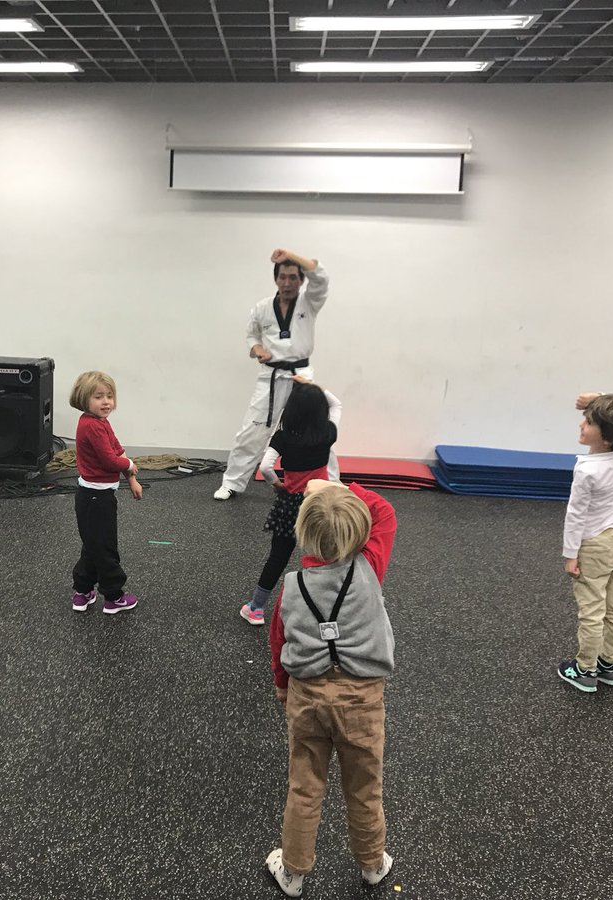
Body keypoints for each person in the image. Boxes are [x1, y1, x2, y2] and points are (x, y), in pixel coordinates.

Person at [265, 479, 398, 897]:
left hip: (307, 697)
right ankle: (372, 864)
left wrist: (283, 687)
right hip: (362, 700)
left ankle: (293, 872)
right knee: (365, 788)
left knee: (304, 786)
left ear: (303, 531)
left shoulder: (291, 585)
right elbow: (385, 511)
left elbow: (278, 642)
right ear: (359, 532)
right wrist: (338, 485)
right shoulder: (369, 565)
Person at [214, 249, 337, 501]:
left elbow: (321, 277)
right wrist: (257, 349)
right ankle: (232, 482)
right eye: (282, 277)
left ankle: (331, 484)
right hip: (270, 376)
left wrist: (290, 254)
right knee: (251, 430)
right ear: (275, 279)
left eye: (293, 277)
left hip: (301, 375)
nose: (287, 283)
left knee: (316, 429)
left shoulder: (309, 302)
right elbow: (251, 335)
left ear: (301, 281)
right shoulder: (262, 308)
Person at [557, 391, 613, 693]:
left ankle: (584, 669)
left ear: (607, 438)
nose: (581, 424)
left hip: (593, 547)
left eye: (589, 422)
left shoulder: (587, 470)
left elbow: (575, 515)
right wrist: (598, 400)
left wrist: (571, 554)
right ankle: (610, 665)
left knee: (592, 610)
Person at [240, 379, 342, 626]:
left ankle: (256, 608)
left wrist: (276, 484)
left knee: (278, 557)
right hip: (320, 502)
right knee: (324, 556)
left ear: (291, 410)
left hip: (291, 505)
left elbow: (266, 467)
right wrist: (313, 386)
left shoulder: (283, 437)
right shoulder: (328, 432)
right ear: (320, 410)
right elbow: (336, 404)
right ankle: (331, 610)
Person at [69, 371, 143, 614]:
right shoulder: (92, 426)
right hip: (96, 499)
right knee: (104, 548)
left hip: (95, 496)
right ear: (84, 398)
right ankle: (113, 596)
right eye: (98, 397)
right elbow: (110, 460)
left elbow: (117, 449)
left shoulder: (100, 422)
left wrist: (131, 479)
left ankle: (82, 591)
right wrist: (129, 465)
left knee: (93, 545)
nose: (106, 402)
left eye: (109, 396)